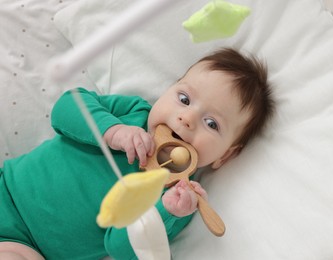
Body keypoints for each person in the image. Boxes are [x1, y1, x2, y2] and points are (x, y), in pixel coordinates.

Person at [0, 47, 274, 259]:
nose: (187, 118)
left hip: (25, 247)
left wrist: (166, 212)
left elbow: (119, 249)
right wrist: (113, 131)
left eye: (212, 123)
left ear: (225, 156)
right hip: (6, 189)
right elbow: (66, 108)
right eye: (184, 99)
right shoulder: (134, 113)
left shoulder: (176, 198)